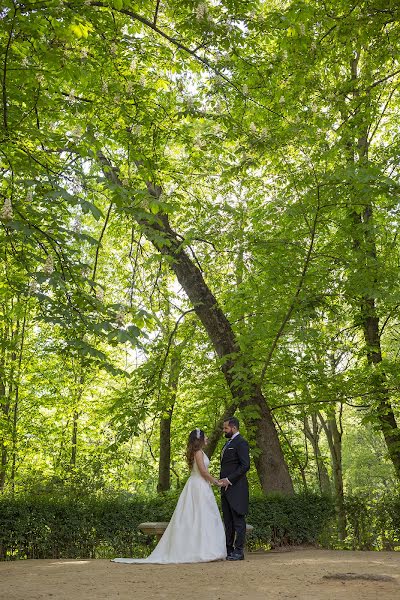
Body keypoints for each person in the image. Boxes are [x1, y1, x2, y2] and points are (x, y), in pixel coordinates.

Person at [112, 428, 226, 564]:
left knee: (200, 516)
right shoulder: (199, 453)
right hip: (199, 486)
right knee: (200, 515)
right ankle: (203, 551)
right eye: (205, 436)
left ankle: (203, 549)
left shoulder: (196, 452)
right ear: (200, 439)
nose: (207, 438)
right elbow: (203, 471)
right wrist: (216, 482)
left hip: (197, 485)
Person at [218, 417, 250, 561]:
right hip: (225, 490)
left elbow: (245, 466)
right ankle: (229, 550)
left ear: (234, 428)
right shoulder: (227, 443)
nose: (224, 431)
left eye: (226, 428)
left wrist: (229, 480)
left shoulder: (241, 443)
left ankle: (239, 551)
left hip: (237, 488)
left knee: (238, 520)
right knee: (228, 521)